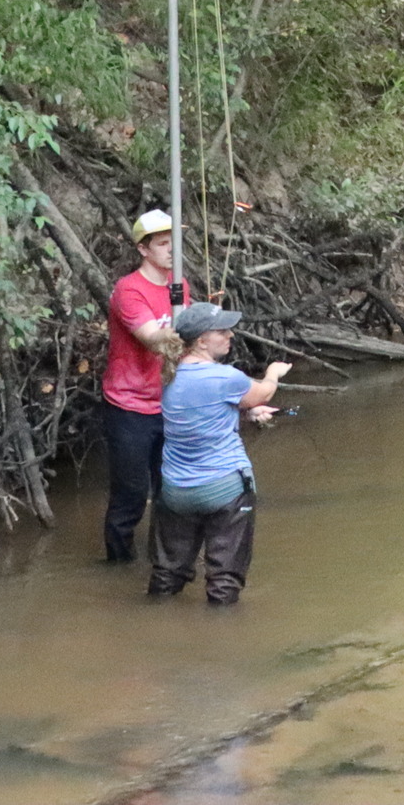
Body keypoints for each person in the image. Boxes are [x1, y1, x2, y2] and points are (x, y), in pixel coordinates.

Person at [147, 302, 287, 606]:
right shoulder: (226, 377)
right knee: (224, 580)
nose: (230, 335)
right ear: (201, 341)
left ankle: (153, 622)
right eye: (222, 331)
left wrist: (245, 415)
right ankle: (221, 639)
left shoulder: (168, 375)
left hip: (175, 491)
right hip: (225, 490)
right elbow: (262, 393)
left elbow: (206, 411)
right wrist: (274, 373)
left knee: (167, 574)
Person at [99, 209, 187, 564]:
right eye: (164, 244)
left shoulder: (181, 286)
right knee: (131, 494)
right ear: (143, 249)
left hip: (167, 402)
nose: (172, 251)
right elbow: (153, 339)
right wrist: (193, 332)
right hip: (128, 407)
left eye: (174, 244)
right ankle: (118, 565)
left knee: (172, 491)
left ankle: (163, 564)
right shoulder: (128, 290)